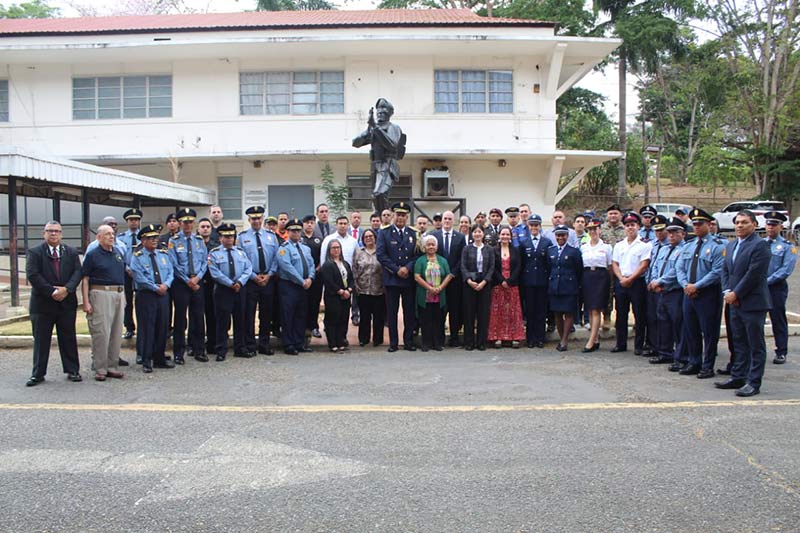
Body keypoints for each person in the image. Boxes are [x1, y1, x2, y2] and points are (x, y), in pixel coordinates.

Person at [715, 210, 772, 397]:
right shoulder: (731, 246)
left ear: (754, 225)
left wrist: (736, 293)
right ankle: (738, 376)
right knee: (738, 341)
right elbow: (725, 271)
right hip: (734, 301)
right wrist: (727, 292)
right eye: (737, 222)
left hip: (753, 302)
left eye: (744, 222)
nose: (739, 225)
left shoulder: (760, 246)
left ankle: (754, 382)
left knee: (755, 344)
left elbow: (754, 275)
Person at [26, 221, 83, 386]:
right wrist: (52, 291)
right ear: (44, 234)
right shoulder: (35, 252)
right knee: (41, 340)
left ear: (61, 234)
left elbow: (77, 272)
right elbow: (33, 275)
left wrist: (66, 289)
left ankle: (72, 370)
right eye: (49, 231)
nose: (53, 234)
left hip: (66, 302)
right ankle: (38, 374)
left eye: (57, 231)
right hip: (43, 304)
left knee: (68, 338)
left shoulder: (71, 252)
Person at [675, 208, 725, 378]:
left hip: (707, 294)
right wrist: (686, 285)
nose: (696, 227)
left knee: (709, 331)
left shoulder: (718, 247)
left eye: (699, 224)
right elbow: (679, 268)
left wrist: (697, 286)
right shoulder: (688, 246)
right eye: (694, 224)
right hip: (688, 293)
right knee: (691, 329)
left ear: (709, 224)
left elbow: (717, 271)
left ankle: (708, 365)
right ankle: (694, 361)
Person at [81, 224, 126, 382]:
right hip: (100, 293)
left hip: (118, 294)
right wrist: (86, 302)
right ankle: (100, 368)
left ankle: (112, 366)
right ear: (99, 237)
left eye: (113, 234)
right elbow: (85, 279)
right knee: (102, 332)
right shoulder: (93, 254)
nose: (111, 237)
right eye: (107, 234)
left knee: (116, 332)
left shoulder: (117, 254)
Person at [130, 224, 175, 373]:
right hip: (147, 295)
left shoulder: (163, 254)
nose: (154, 240)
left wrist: (166, 285)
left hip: (163, 295)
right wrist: (156, 288)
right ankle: (146, 359)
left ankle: (159, 358)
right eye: (150, 238)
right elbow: (139, 277)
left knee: (162, 327)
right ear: (143, 241)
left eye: (155, 237)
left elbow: (170, 272)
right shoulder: (137, 257)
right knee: (148, 328)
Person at [377, 202, 419, 352]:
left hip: (408, 279)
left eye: (403, 215)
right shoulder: (384, 232)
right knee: (392, 313)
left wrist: (407, 268)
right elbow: (381, 255)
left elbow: (417, 255)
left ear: (407, 217)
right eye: (398, 214)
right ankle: (393, 343)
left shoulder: (414, 233)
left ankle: (408, 342)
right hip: (392, 279)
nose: (400, 218)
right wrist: (396, 270)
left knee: (409, 312)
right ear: (393, 215)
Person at [352, 97, 407, 213]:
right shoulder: (374, 128)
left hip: (387, 164)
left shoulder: (393, 127)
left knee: (380, 193)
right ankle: (380, 217)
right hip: (375, 165)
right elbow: (355, 143)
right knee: (375, 197)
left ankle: (385, 218)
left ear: (389, 114)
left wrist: (375, 128)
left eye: (383, 112)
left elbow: (392, 144)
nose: (380, 114)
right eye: (379, 112)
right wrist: (368, 130)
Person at [168, 208, 208, 365]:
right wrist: (187, 280)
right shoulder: (174, 241)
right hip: (181, 284)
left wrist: (197, 278)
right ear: (179, 223)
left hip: (197, 283)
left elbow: (205, 262)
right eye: (184, 222)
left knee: (198, 317)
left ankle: (199, 350)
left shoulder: (199, 241)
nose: (187, 225)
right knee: (180, 318)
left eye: (190, 222)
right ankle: (179, 352)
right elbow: (174, 264)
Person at [208, 223, 253, 360]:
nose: (229, 239)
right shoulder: (214, 253)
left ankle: (240, 348)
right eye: (226, 237)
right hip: (223, 290)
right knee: (222, 321)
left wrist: (240, 282)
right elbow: (215, 273)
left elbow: (248, 268)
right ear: (221, 237)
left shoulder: (240, 252)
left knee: (240, 319)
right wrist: (230, 283)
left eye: (231, 236)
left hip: (240, 289)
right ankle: (221, 350)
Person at [239, 206, 280, 356]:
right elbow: (241, 260)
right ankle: (250, 344)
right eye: (253, 218)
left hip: (268, 280)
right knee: (249, 314)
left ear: (262, 219)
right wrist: (253, 276)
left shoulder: (271, 236)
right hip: (251, 280)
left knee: (266, 314)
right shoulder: (242, 237)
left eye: (258, 218)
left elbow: (276, 257)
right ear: (249, 220)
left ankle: (264, 344)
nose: (256, 221)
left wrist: (269, 275)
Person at [610, 212, 651, 354]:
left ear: (638, 226)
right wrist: (622, 279)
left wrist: (630, 279)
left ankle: (639, 345)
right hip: (621, 282)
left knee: (639, 314)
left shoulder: (645, 244)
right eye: (627, 225)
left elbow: (644, 264)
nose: (630, 228)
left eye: (633, 225)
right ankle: (620, 344)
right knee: (621, 314)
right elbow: (614, 264)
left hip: (637, 282)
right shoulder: (619, 245)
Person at [647, 218, 686, 367]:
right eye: (669, 232)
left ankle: (680, 356)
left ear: (682, 234)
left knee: (677, 324)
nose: (671, 235)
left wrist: (660, 281)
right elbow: (655, 266)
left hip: (674, 291)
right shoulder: (663, 249)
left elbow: (676, 271)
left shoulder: (684, 250)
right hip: (661, 292)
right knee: (663, 322)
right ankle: (665, 353)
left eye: (675, 232)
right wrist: (654, 281)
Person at [276, 218, 316, 355]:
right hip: (289, 286)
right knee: (288, 315)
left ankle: (299, 342)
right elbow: (287, 267)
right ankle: (288, 344)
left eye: (299, 230)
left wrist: (310, 278)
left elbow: (311, 264)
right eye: (293, 230)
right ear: (288, 232)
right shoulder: (283, 249)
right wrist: (301, 281)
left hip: (304, 286)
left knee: (301, 315)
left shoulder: (305, 248)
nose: (296, 233)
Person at [763, 211, 797, 364]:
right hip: (758, 287)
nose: (771, 227)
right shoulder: (760, 244)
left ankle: (781, 351)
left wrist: (767, 281)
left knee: (778, 319)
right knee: (755, 319)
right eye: (769, 224)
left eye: (774, 224)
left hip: (775, 288)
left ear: (780, 226)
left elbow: (785, 270)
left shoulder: (787, 247)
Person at [431, 211, 467, 346]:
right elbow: (431, 256)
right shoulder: (433, 236)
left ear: (454, 221)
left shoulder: (460, 237)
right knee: (440, 310)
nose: (447, 221)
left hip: (454, 279)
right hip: (437, 279)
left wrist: (452, 274)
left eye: (449, 219)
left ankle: (454, 338)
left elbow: (461, 259)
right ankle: (439, 339)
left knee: (454, 310)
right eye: (445, 218)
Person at [414, 235, 454, 352]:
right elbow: (417, 277)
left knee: (439, 319)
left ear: (436, 246)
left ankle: (438, 343)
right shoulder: (420, 260)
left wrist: (440, 287)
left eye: (433, 244)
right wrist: (429, 288)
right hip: (425, 295)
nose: (431, 247)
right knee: (425, 319)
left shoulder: (442, 260)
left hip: (439, 295)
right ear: (424, 247)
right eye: (428, 244)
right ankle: (426, 343)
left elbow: (448, 275)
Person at [547, 224, 583, 351]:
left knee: (568, 313)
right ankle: (562, 338)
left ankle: (564, 341)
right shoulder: (550, 250)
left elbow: (579, 270)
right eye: (558, 235)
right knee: (557, 313)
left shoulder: (574, 251)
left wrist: (577, 286)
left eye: (563, 235)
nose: (560, 237)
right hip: (554, 286)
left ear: (567, 236)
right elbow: (548, 268)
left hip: (569, 287)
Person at [519, 214, 553, 348]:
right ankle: (530, 339)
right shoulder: (524, 243)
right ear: (528, 226)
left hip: (542, 282)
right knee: (530, 311)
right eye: (532, 225)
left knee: (541, 311)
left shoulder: (546, 242)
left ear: (540, 226)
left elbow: (549, 264)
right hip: (528, 282)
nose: (534, 227)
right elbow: (522, 265)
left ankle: (540, 338)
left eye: (536, 225)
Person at [488, 227, 524, 348]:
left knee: (513, 311)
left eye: (507, 234)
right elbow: (493, 267)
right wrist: (502, 280)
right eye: (503, 234)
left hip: (512, 284)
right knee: (498, 311)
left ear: (511, 236)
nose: (505, 236)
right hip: (498, 285)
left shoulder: (516, 250)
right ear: (499, 235)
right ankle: (497, 337)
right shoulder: (494, 250)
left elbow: (519, 266)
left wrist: (510, 280)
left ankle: (515, 337)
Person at [580, 218, 612, 352]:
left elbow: (610, 266)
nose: (593, 231)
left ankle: (591, 341)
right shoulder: (583, 247)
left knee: (596, 309)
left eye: (595, 229)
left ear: (600, 230)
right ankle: (596, 338)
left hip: (600, 277)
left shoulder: (606, 247)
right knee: (590, 308)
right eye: (590, 229)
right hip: (587, 276)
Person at [461, 225, 495, 351]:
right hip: (470, 284)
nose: (477, 234)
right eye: (475, 232)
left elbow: (492, 267)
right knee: (469, 314)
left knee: (483, 314)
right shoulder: (466, 248)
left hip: (484, 284)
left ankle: (481, 342)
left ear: (483, 234)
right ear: (472, 234)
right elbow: (463, 266)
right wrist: (469, 280)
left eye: (479, 232)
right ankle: (469, 342)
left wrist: (485, 282)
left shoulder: (489, 249)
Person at [319, 240, 355, 352]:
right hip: (333, 296)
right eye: (333, 248)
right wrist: (340, 291)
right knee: (332, 319)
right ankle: (332, 343)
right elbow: (328, 282)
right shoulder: (327, 265)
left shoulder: (345, 264)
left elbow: (351, 279)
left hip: (346, 296)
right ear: (329, 250)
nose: (336, 250)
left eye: (338, 247)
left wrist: (349, 290)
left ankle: (341, 342)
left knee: (343, 319)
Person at [352, 228, 385, 347]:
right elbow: (354, 269)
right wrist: (356, 286)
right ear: (363, 239)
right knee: (364, 316)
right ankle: (363, 339)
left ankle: (378, 339)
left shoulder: (381, 252)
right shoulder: (359, 252)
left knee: (378, 316)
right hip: (363, 289)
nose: (369, 238)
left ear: (375, 238)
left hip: (379, 290)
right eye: (366, 237)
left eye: (371, 236)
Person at [643, 215, 669, 357]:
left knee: (663, 319)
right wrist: (649, 281)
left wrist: (658, 283)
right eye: (656, 231)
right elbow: (650, 266)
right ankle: (654, 346)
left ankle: (664, 348)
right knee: (652, 317)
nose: (659, 233)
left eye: (661, 230)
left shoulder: (669, 245)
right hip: (651, 286)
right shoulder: (652, 245)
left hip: (663, 287)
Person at [600, 204, 626, 328]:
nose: (613, 216)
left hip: (622, 267)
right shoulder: (602, 229)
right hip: (607, 267)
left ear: (620, 215)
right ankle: (606, 316)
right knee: (608, 292)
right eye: (611, 213)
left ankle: (620, 318)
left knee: (621, 294)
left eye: (615, 213)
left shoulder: (625, 229)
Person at [120, 208, 142, 340]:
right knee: (127, 302)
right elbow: (118, 256)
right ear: (127, 222)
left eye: (136, 220)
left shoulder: (144, 237)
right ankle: (129, 327)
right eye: (131, 220)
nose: (134, 222)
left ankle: (143, 326)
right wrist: (127, 268)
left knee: (141, 301)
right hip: (126, 273)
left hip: (141, 274)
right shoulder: (121, 238)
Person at [301, 215, 324, 341]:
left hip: (316, 276)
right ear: (303, 224)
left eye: (312, 223)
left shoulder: (319, 240)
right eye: (307, 223)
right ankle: (304, 326)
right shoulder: (300, 239)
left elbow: (323, 257)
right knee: (304, 302)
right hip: (303, 277)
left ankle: (314, 326)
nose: (309, 225)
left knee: (315, 302)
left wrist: (317, 269)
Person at [196, 217, 217, 355]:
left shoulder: (215, 246)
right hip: (197, 284)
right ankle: (195, 345)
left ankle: (212, 344)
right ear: (198, 229)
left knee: (212, 315)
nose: (205, 229)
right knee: (197, 316)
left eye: (207, 227)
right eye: (202, 226)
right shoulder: (194, 244)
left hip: (212, 284)